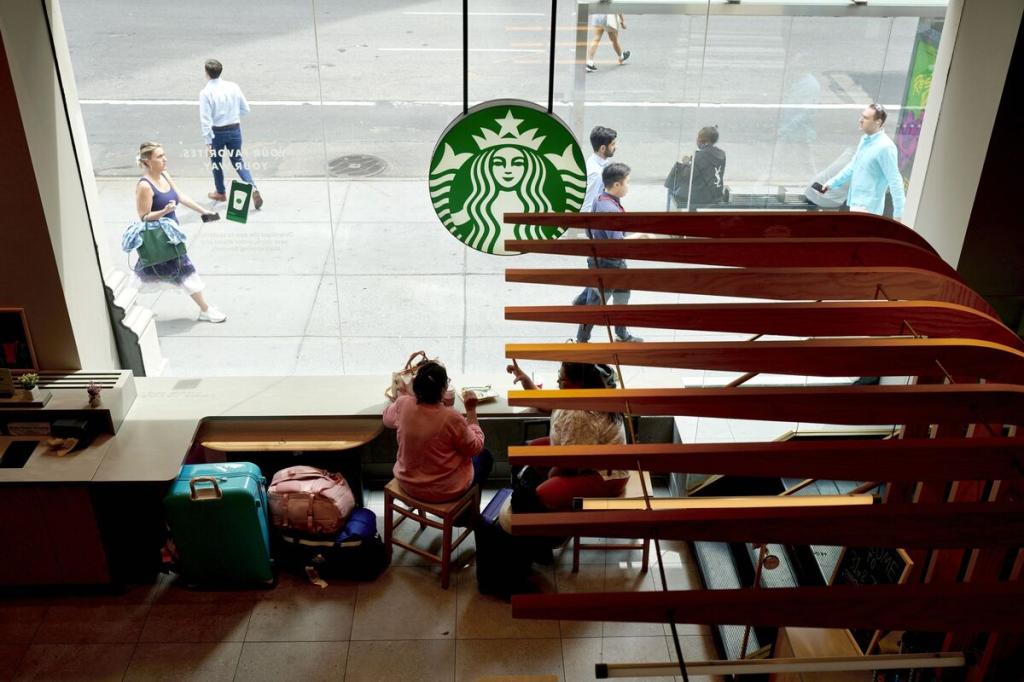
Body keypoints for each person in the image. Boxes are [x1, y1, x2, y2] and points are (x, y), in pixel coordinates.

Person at [506, 359, 629, 511]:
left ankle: (549, 525)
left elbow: (570, 464)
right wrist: (525, 379)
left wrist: (550, 475)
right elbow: (543, 402)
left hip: (603, 475)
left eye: (563, 378)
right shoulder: (578, 393)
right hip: (574, 452)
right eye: (559, 375)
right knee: (523, 453)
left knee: (535, 497)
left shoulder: (581, 414)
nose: (558, 380)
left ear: (578, 382)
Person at [131, 142, 227, 323]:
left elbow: (180, 196)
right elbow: (144, 216)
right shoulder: (144, 186)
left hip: (171, 235)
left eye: (163, 154)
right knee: (186, 270)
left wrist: (204, 211)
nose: (164, 159)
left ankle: (126, 306)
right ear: (147, 162)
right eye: (159, 157)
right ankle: (205, 309)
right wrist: (163, 212)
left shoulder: (164, 175)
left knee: (143, 272)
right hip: (160, 239)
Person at [383, 360, 493, 504]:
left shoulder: (403, 403)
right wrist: (471, 411)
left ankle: (463, 512)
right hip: (444, 491)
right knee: (485, 456)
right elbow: (475, 447)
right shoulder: (452, 417)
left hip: (408, 484)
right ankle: (465, 514)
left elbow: (387, 420)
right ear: (443, 390)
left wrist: (407, 395)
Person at [573, 162, 645, 343]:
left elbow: (589, 227)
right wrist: (640, 236)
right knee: (595, 306)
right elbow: (618, 243)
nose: (629, 186)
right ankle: (581, 340)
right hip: (609, 263)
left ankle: (621, 333)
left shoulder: (601, 199)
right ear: (617, 185)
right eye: (627, 182)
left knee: (622, 295)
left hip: (608, 261)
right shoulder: (610, 209)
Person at [818, 103, 905, 221]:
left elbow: (895, 181)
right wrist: (832, 183)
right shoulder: (865, 140)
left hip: (869, 210)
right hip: (855, 204)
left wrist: (899, 214)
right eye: (862, 116)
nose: (860, 120)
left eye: (866, 118)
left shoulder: (885, 148)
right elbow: (853, 166)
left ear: (878, 122)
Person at [200, 59, 263, 210]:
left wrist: (208, 142)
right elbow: (245, 109)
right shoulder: (233, 87)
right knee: (238, 160)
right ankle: (252, 186)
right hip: (235, 129)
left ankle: (221, 192)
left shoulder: (205, 93)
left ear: (207, 73)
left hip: (217, 132)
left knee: (216, 163)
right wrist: (233, 115)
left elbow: (205, 120)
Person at [664, 126, 727, 210]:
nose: (696, 140)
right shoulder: (721, 154)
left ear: (702, 140)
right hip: (715, 194)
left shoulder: (701, 155)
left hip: (702, 197)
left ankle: (673, 216)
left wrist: (685, 163)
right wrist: (693, 161)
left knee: (673, 183)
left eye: (698, 137)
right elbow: (708, 170)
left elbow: (687, 176)